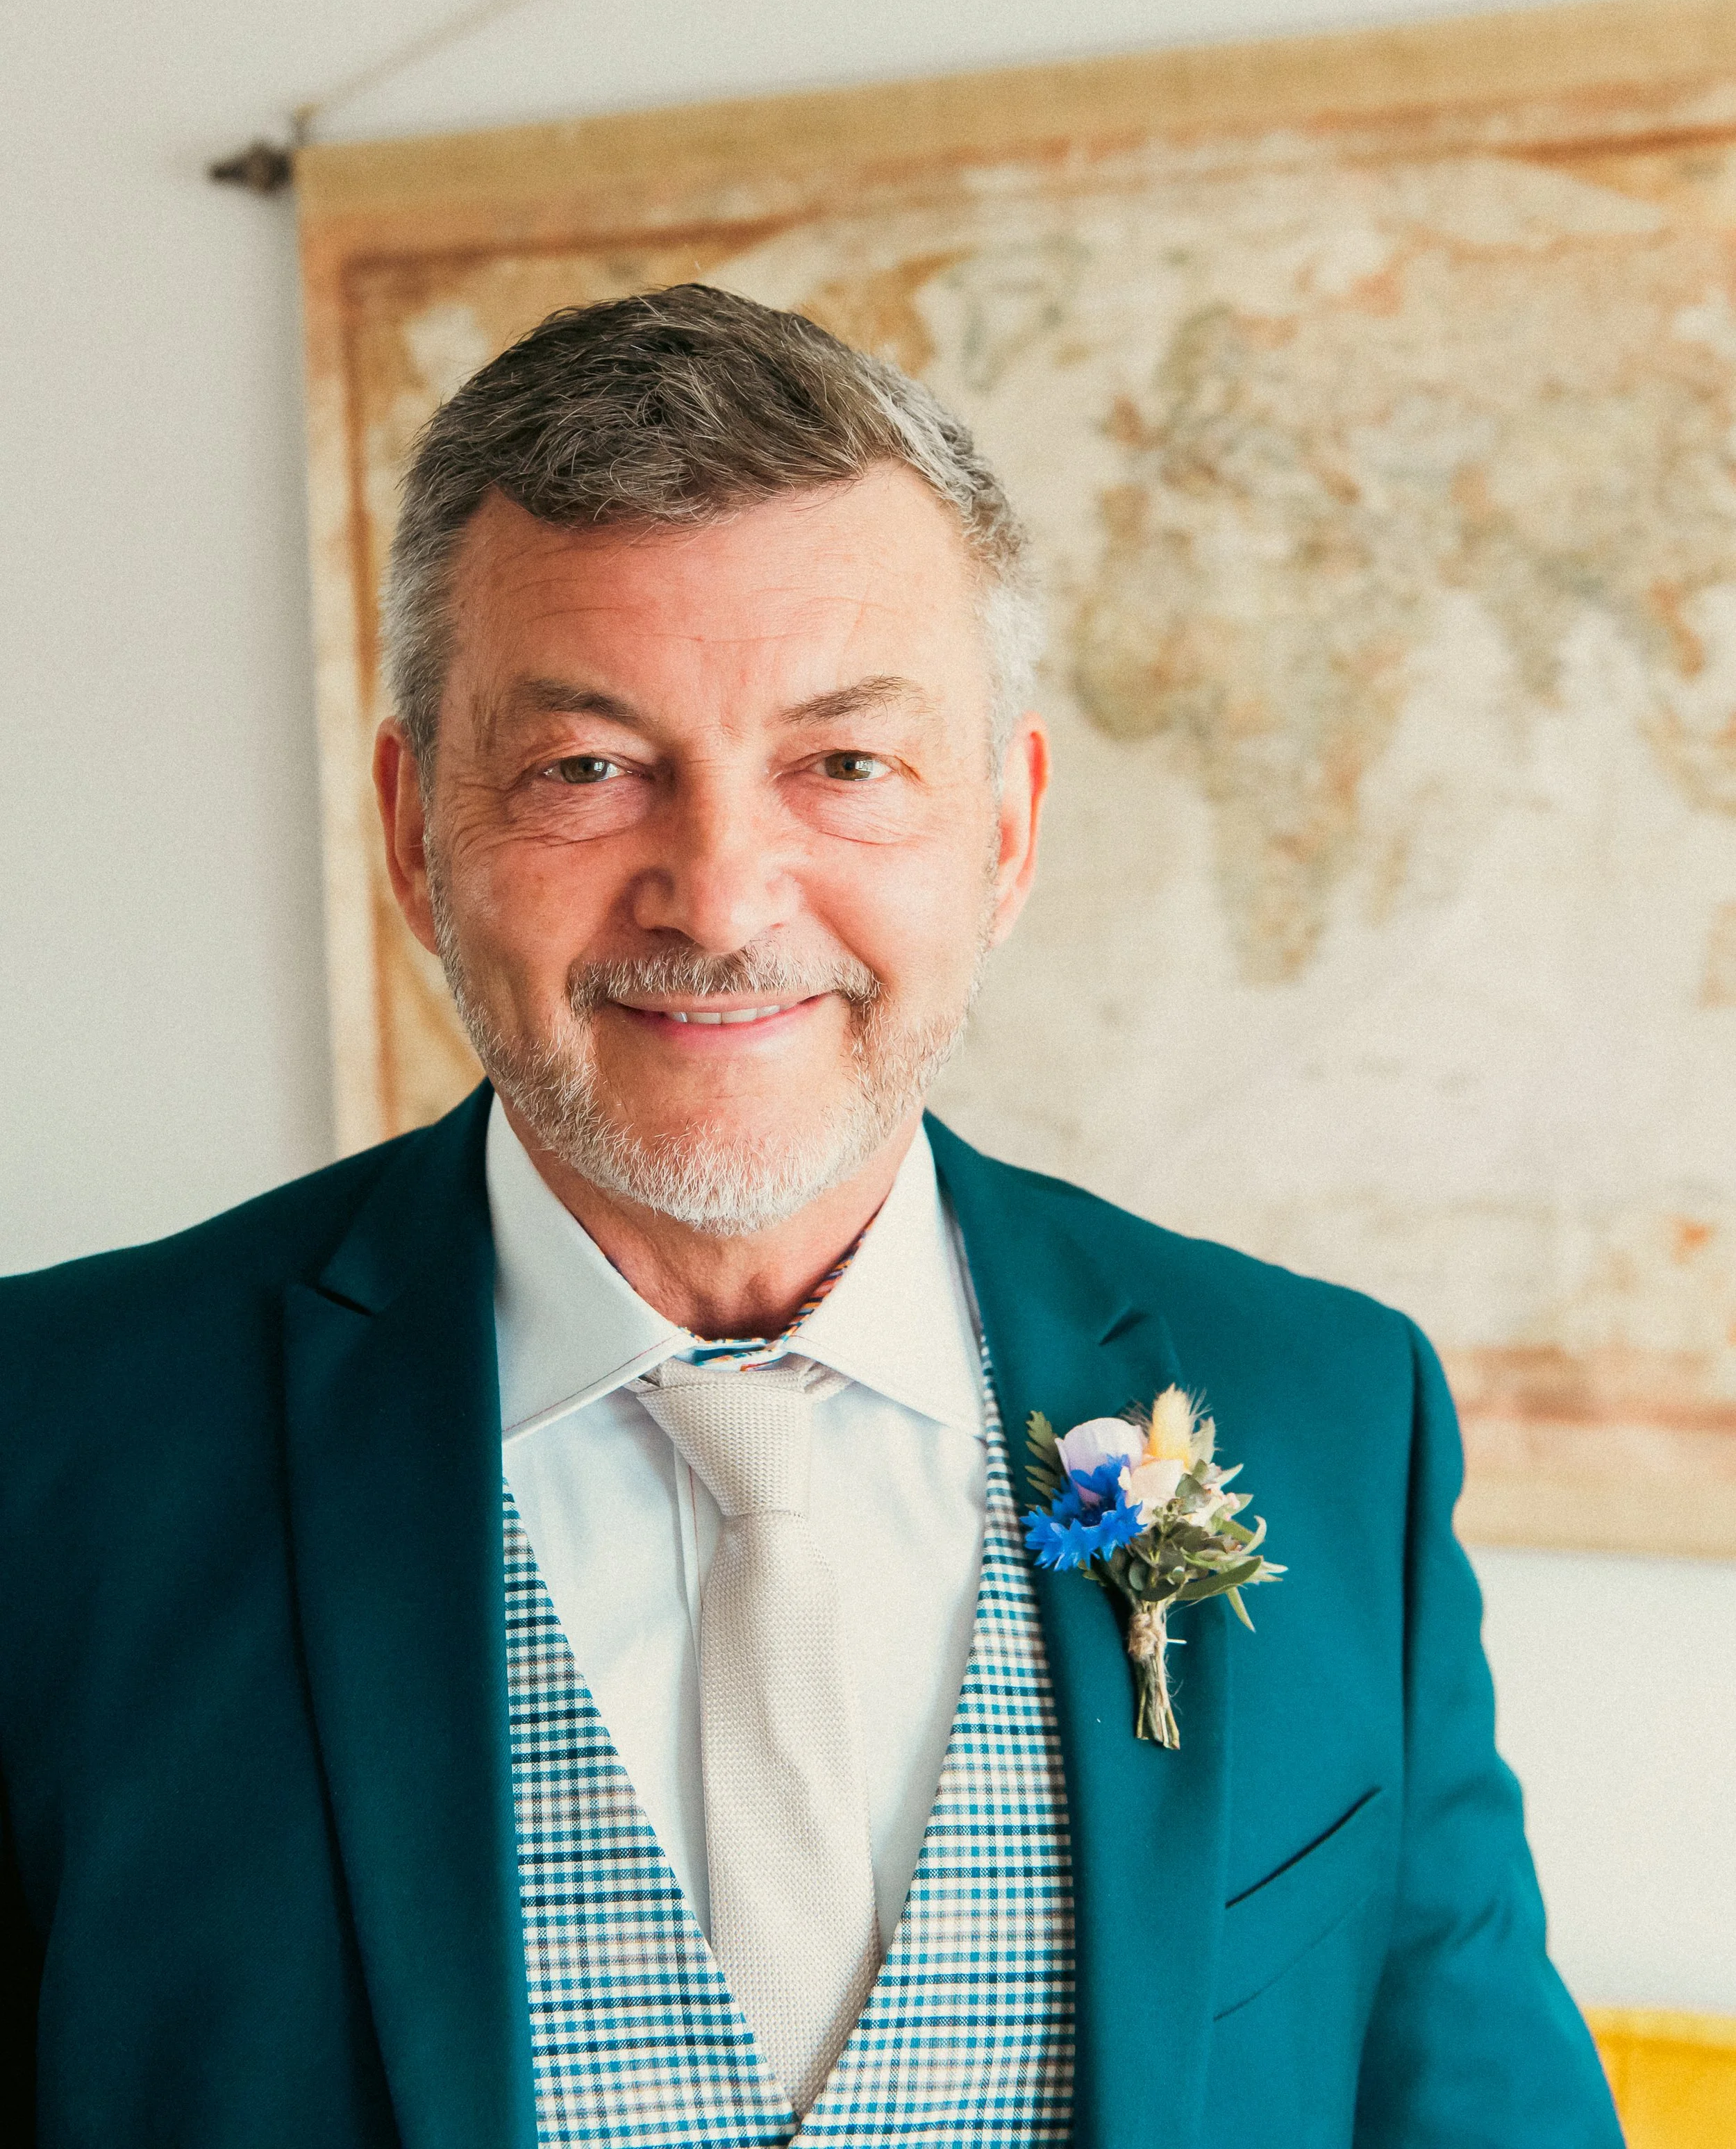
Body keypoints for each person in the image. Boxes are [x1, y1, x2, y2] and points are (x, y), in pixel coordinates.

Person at [0, 287, 1620, 2148]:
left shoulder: (1329, 1411)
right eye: (587, 769)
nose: (718, 896)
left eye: (843, 763)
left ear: (1004, 828)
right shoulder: (48, 1444)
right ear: (414, 830)